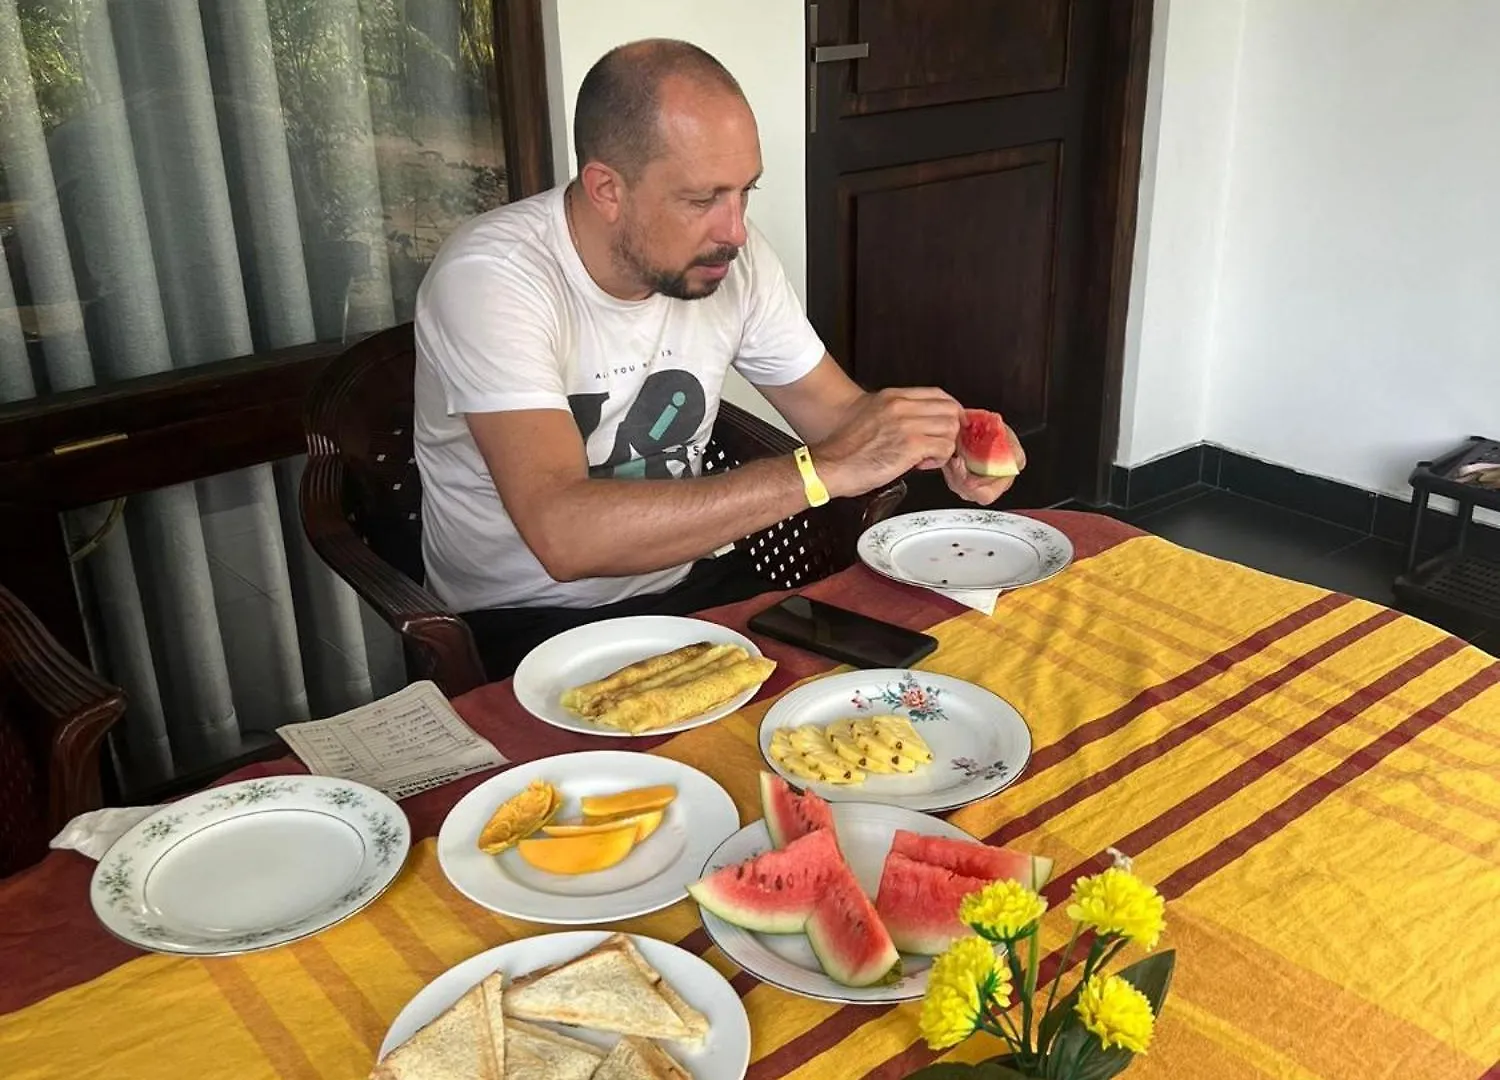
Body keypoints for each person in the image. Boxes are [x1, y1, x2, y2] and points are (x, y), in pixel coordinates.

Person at [413, 39, 1025, 678]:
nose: (735, 231)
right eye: (703, 200)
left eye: (745, 192)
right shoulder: (493, 280)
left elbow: (835, 414)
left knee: (886, 714)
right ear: (606, 189)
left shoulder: (731, 257)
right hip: (521, 621)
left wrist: (940, 438)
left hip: (696, 583)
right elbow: (562, 537)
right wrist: (816, 473)